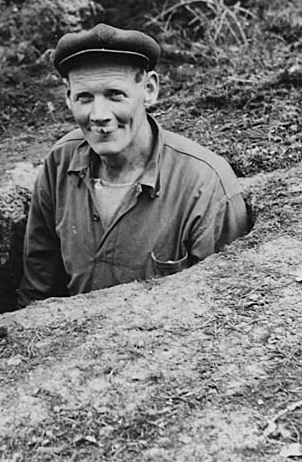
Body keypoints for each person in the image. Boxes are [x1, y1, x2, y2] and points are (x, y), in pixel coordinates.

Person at [17, 23, 249, 307]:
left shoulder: (205, 184)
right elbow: (38, 290)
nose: (99, 115)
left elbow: (225, 304)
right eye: (84, 97)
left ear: (149, 89)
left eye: (115, 94)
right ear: (68, 97)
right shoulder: (59, 163)